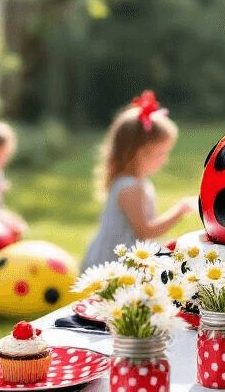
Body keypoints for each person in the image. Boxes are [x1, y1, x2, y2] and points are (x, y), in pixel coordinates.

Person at [80, 91, 197, 271]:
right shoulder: (130, 188)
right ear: (141, 153)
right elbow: (145, 232)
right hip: (114, 265)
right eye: (161, 153)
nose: (165, 159)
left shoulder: (137, 183)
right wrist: (179, 211)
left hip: (128, 258)